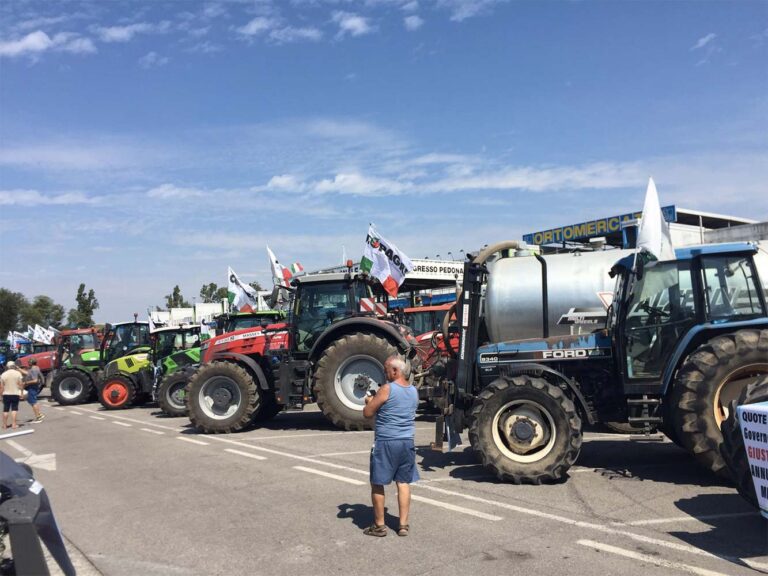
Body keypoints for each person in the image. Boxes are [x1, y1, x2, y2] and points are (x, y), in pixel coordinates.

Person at [362, 355, 419, 537]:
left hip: (387, 441)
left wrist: (369, 401)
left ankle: (379, 526)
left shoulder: (387, 389)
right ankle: (403, 524)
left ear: (395, 371)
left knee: (378, 483)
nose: (385, 373)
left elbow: (368, 413)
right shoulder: (413, 391)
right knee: (403, 482)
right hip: (407, 442)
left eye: (387, 370)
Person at [1, 361, 24, 429]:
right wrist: (22, 393)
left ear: (7, 367)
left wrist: (1, 396)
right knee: (14, 409)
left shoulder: (3, 374)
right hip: (15, 393)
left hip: (6, 394)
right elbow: (21, 384)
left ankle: (5, 425)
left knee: (5, 410)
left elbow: (1, 387)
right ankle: (14, 424)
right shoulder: (18, 373)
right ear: (14, 366)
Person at [23, 357, 45, 422]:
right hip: (32, 387)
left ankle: (38, 417)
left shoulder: (34, 369)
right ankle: (39, 414)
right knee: (30, 400)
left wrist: (25, 382)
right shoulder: (35, 368)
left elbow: (35, 380)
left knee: (33, 402)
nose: (28, 363)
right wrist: (19, 369)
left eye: (29, 362)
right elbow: (27, 373)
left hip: (32, 387)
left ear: (31, 362)